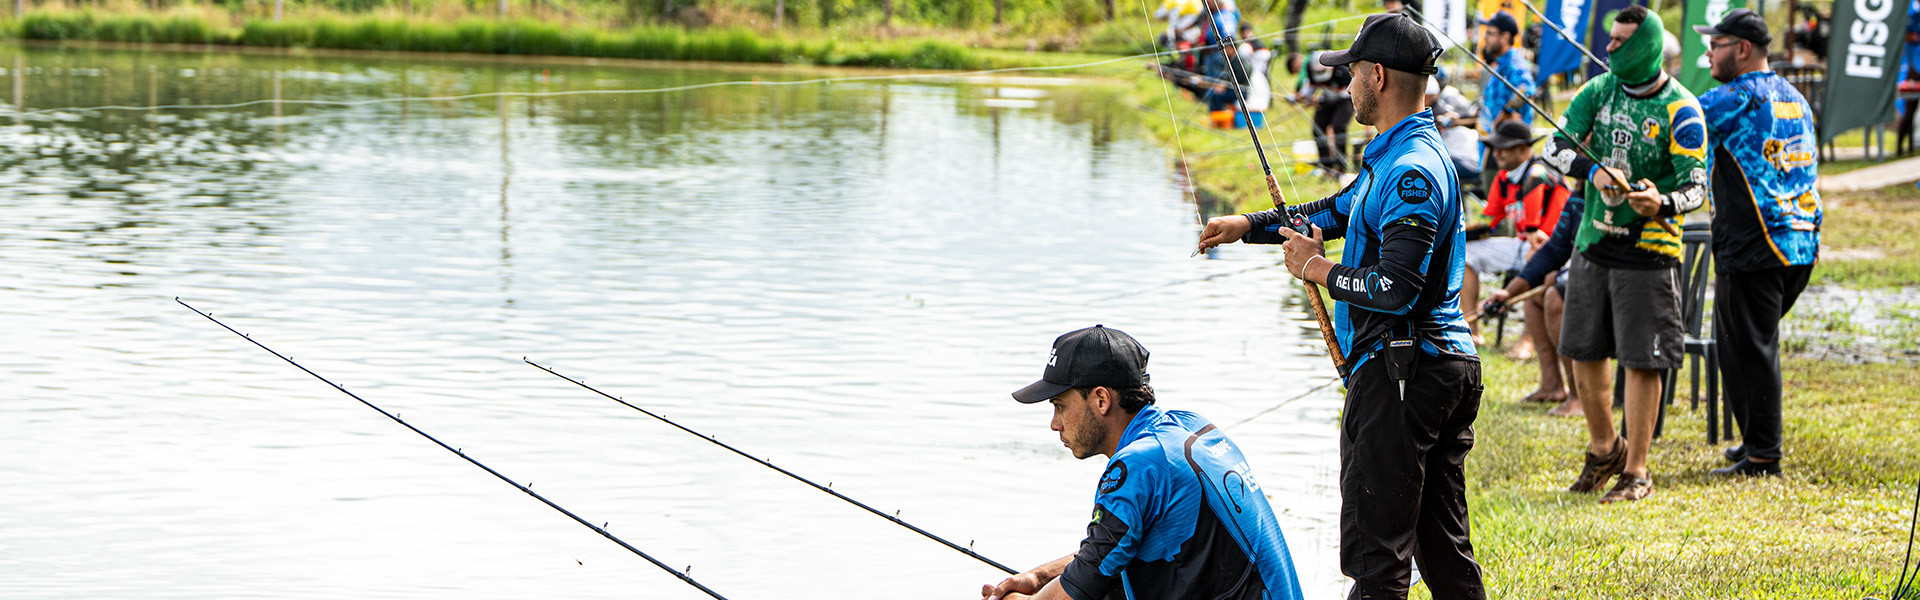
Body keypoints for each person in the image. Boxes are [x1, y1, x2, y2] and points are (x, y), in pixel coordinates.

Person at [1198, 14, 1485, 599]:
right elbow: (1332, 213)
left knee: (1374, 554)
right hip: (1430, 369)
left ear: (1377, 76)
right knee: (1440, 548)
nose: (1345, 86)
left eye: (1351, 73)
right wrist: (1245, 225)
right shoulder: (1396, 155)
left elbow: (1395, 287)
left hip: (1407, 372)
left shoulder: (1412, 172)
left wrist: (1315, 268)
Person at [983, 325, 1306, 600]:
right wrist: (1038, 578)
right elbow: (1111, 551)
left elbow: (1084, 583)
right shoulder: (1190, 425)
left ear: (1100, 399)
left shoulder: (1138, 465)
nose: (1055, 424)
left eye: (1060, 406)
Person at [1534, 5, 1710, 504]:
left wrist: (1663, 202)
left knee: (1642, 359)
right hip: (1593, 241)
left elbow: (1698, 188)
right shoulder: (1597, 91)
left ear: (1647, 47)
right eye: (1609, 40)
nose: (1609, 48)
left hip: (1650, 251)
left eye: (1621, 43)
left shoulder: (1683, 109)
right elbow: (1553, 147)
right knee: (1583, 350)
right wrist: (1590, 172)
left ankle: (1637, 470)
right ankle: (1604, 447)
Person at [1693, 9, 1822, 477]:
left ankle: (1764, 455)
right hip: (1801, 241)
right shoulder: (1796, 97)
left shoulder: (1731, 99)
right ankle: (1754, 441)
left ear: (1742, 49)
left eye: (1717, 44)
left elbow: (1680, 122)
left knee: (1749, 348)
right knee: (1743, 344)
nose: (1708, 52)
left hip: (1755, 243)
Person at [1476, 119, 1575, 405]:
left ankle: (1572, 389)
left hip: (1552, 249)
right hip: (1531, 246)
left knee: (1547, 289)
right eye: (1494, 148)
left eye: (1502, 148)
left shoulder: (1538, 174)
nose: (1496, 154)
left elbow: (1537, 234)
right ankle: (1551, 385)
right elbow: (1489, 221)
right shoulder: (1503, 177)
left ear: (1522, 149)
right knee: (1530, 298)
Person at [1475, 12, 1536, 190]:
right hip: (1493, 146)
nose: (1485, 38)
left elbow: (1526, 90)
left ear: (1505, 37)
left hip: (1507, 147)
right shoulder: (1499, 65)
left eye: (1490, 33)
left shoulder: (1514, 63)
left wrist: (1507, 112)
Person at [1299, 50, 1355, 173]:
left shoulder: (1342, 70)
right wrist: (1303, 97)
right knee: (1318, 128)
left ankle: (1341, 164)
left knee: (1339, 127)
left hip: (1345, 99)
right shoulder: (1310, 68)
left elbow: (1352, 90)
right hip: (1326, 99)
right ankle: (1326, 166)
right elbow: (1310, 86)